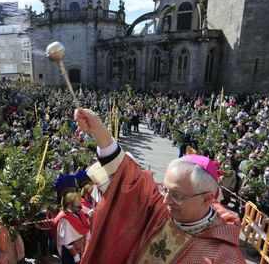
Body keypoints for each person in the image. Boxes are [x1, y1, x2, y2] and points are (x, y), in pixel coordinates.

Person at [74, 109, 245, 263]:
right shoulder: (161, 209)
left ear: (207, 198)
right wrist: (99, 131)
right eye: (166, 189)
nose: (165, 201)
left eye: (177, 195)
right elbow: (129, 180)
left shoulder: (224, 256)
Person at [53, 175, 91, 264]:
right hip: (70, 253)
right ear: (69, 204)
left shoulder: (77, 211)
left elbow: (83, 212)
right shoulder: (64, 219)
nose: (79, 206)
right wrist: (76, 256)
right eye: (76, 204)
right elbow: (66, 241)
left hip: (79, 249)